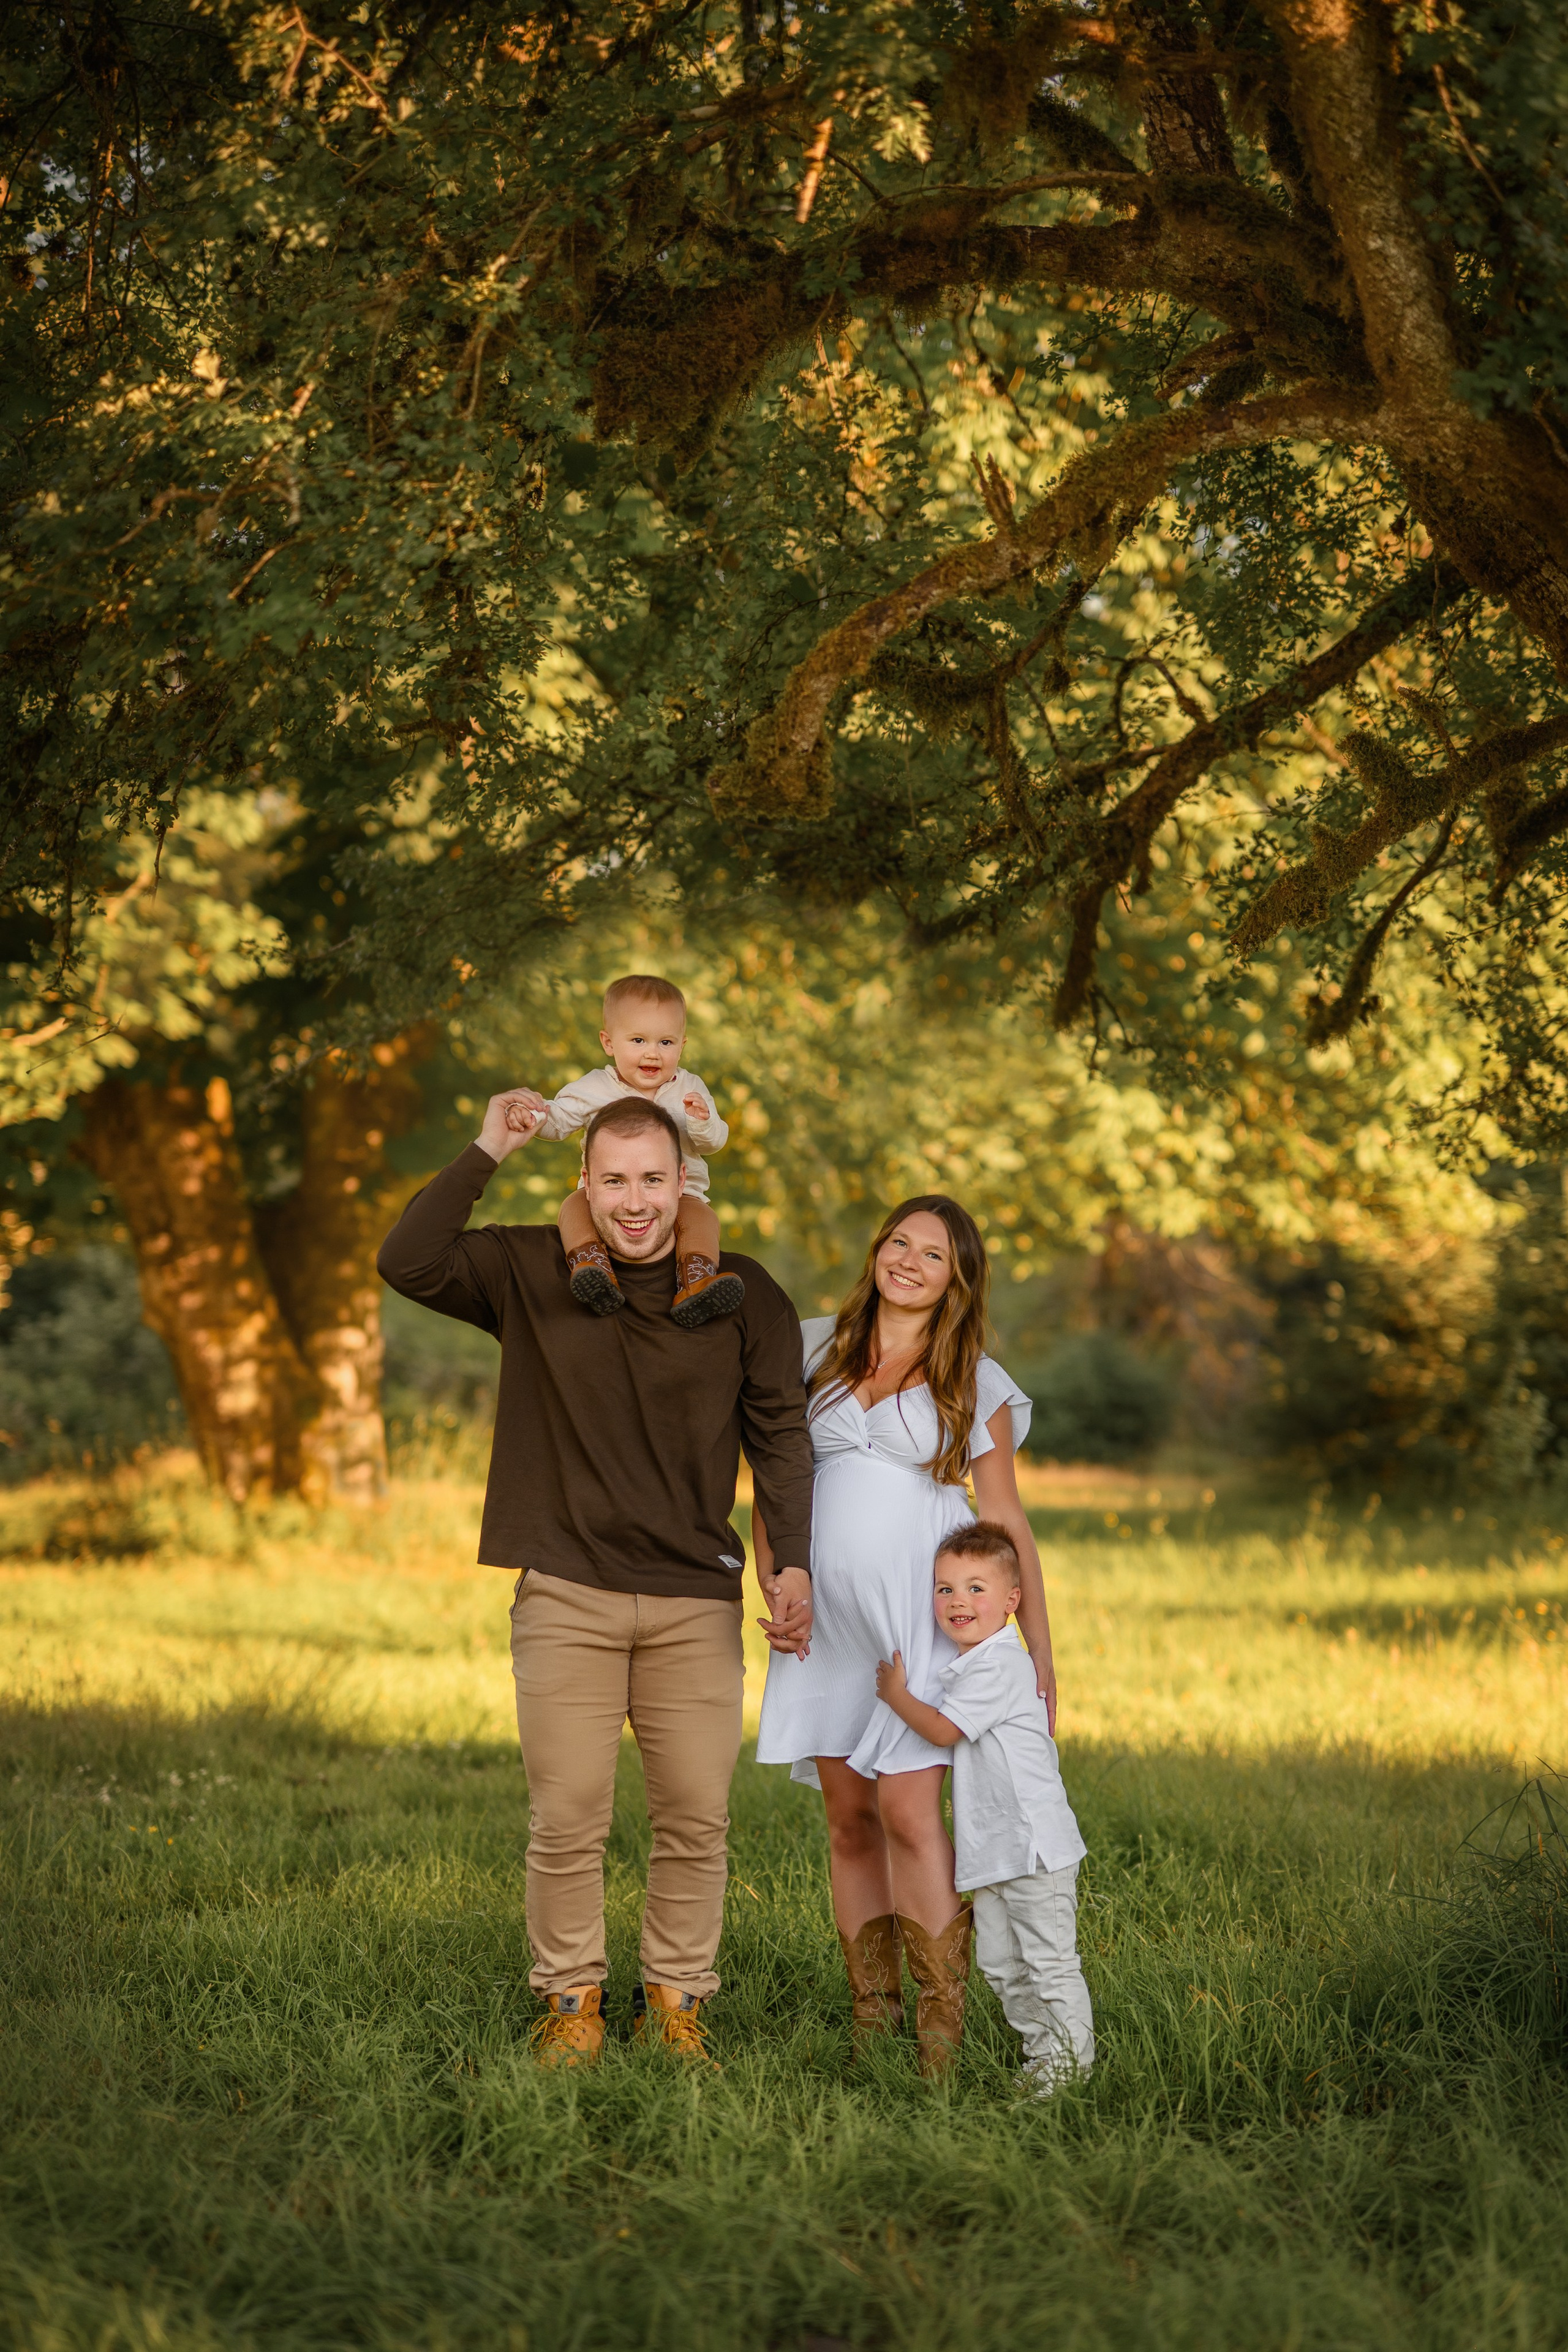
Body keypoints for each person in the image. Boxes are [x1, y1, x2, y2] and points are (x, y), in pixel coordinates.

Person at [376, 1090, 814, 2070]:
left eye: (652, 1179)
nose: (634, 1200)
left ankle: (676, 2004)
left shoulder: (742, 1294)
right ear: (586, 1183)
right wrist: (491, 1143)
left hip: (693, 1598)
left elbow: (783, 1440)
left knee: (696, 1820)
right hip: (566, 1591)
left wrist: (795, 1568)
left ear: (682, 1182)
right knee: (568, 1816)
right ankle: (570, 2002)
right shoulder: (531, 1269)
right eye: (613, 1179)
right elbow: (407, 1259)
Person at [753, 1194, 1057, 2078]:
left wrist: (1039, 1648)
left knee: (909, 1814)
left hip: (924, 1623)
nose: (910, 1263)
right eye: (899, 1243)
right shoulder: (812, 1347)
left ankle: (940, 2036)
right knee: (848, 1820)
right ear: (877, 1250)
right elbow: (776, 1475)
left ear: (957, 1279)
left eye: (934, 1256)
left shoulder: (975, 1378)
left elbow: (1005, 1522)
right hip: (826, 1624)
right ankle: (870, 2023)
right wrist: (776, 1582)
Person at [875, 1522, 1093, 2097]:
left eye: (976, 1588)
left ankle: (1070, 2069)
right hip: (995, 1850)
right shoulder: (973, 1665)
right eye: (944, 1589)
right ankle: (1042, 2057)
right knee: (1001, 1964)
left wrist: (896, 1695)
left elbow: (945, 1731)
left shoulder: (1000, 1664)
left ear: (1011, 1601)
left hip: (1034, 1847)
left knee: (1048, 1964)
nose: (958, 1601)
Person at [505, 973, 742, 1328]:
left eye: (666, 1042)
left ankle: (696, 1281)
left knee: (702, 1219)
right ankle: (592, 1268)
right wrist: (533, 1116)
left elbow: (714, 1143)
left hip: (681, 1192)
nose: (652, 1052)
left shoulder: (690, 1088)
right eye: (638, 1040)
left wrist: (702, 1121)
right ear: (608, 1043)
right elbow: (559, 1121)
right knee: (574, 1206)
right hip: (607, 1193)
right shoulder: (596, 1087)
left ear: (682, 1045)